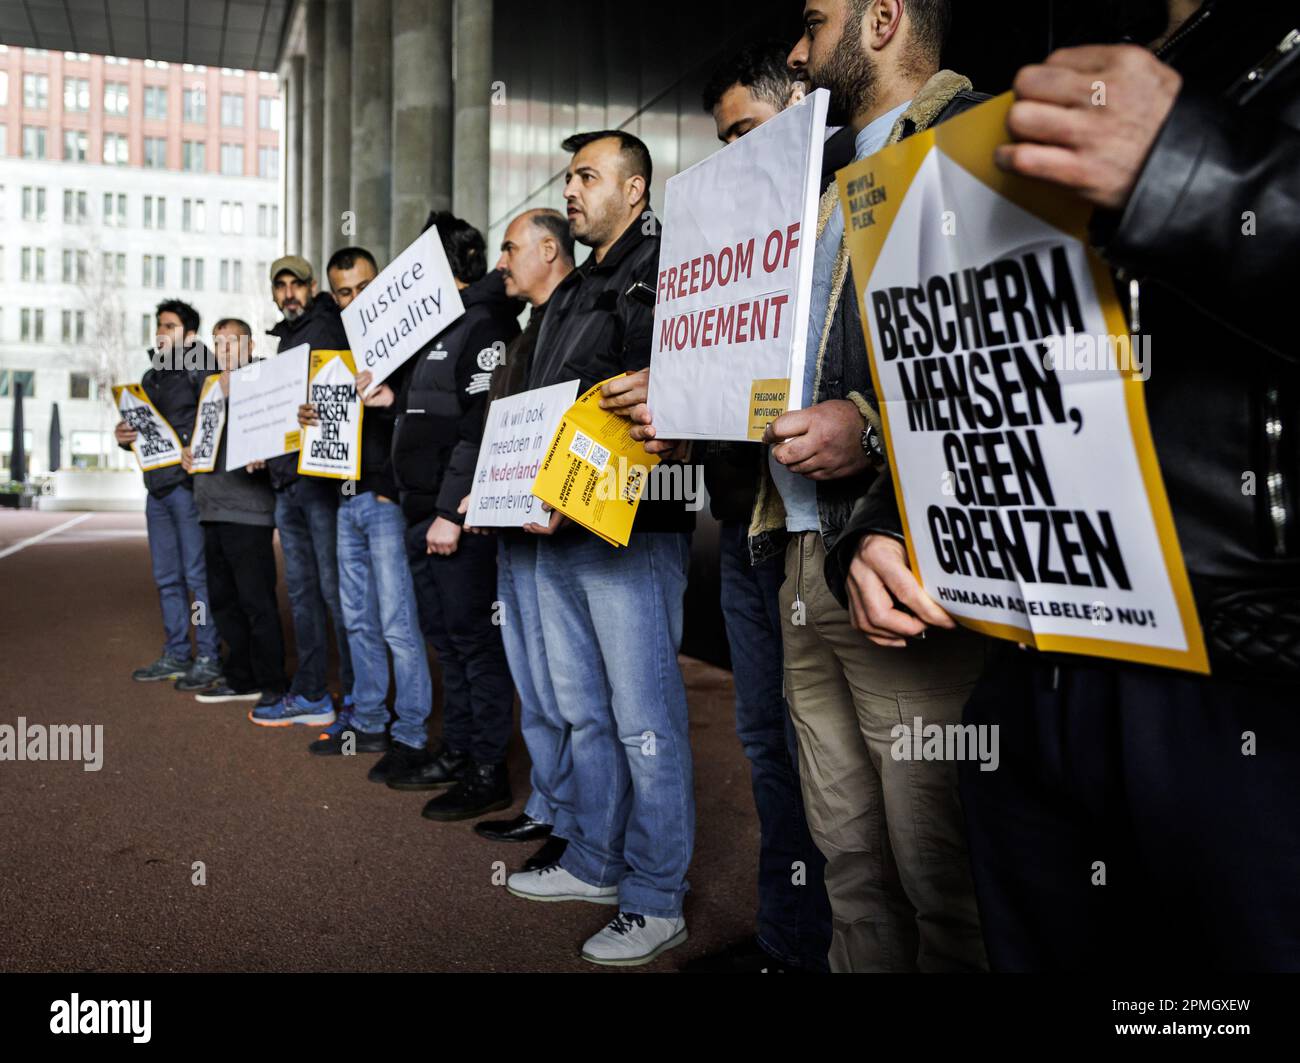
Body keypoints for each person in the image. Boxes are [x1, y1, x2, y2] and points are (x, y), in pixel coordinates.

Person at [831, 0, 1300, 971]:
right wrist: (889, 521)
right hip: (1041, 668)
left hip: (1249, 691)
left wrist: (1188, 171)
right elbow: (1011, 367)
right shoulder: (1125, 66)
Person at [634, 0, 990, 973]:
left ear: (881, 20)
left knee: (941, 868)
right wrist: (689, 398)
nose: (797, 49)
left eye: (814, 21)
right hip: (788, 544)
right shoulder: (812, 187)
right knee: (845, 856)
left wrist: (870, 428)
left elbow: (997, 365)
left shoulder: (970, 147)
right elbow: (775, 371)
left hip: (901, 556)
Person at [503, 130, 697, 967]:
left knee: (644, 721)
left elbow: (675, 399)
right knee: (586, 712)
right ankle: (595, 859)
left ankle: (656, 899)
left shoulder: (673, 271)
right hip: (556, 525)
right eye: (571, 176)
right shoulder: (573, 288)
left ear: (638, 190)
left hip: (633, 530)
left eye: (588, 176)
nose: (572, 188)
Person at [378, 213, 522, 821]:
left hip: (452, 517)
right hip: (420, 511)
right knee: (447, 640)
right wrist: (391, 402)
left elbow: (477, 423)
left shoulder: (485, 323)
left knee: (473, 643)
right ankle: (459, 751)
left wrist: (448, 513)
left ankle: (487, 769)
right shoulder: (437, 326)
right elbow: (429, 415)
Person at [469, 208, 577, 871]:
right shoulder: (526, 331)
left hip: (556, 526)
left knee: (568, 689)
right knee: (534, 683)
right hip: (514, 524)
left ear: (547, 249)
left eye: (509, 248)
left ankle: (577, 825)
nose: (500, 261)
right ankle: (547, 804)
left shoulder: (576, 317)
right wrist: (481, 491)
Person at [299, 247, 433, 777]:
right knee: (358, 621)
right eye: (344, 292)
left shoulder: (409, 338)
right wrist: (308, 416)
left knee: (398, 623)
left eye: (363, 287)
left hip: (385, 501)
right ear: (334, 296)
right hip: (344, 496)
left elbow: (435, 415)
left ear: (381, 283)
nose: (355, 298)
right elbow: (324, 427)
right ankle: (372, 722)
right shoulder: (336, 348)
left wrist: (393, 402)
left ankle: (412, 732)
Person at [249, 255, 353, 729]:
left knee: (333, 592)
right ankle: (314, 692)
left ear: (312, 288)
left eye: (297, 285)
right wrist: (262, 446)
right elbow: (284, 412)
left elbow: (339, 401)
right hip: (288, 480)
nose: (289, 293)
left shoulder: (328, 328)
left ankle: (355, 697)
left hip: (320, 484)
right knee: (304, 591)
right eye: (281, 286)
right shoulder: (286, 338)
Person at [117, 299, 222, 693]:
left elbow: (215, 419)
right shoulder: (150, 376)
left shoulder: (201, 368)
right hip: (156, 488)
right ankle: (178, 652)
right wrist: (124, 438)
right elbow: (147, 432)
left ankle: (208, 654)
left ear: (190, 335)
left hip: (187, 488)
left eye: (170, 326)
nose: (161, 332)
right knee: (166, 578)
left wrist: (195, 449)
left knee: (197, 576)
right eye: (159, 325)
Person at [181, 318, 286, 705]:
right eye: (218, 342)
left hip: (248, 509)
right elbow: (202, 439)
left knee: (256, 601)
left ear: (249, 345)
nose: (225, 349)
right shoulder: (209, 386)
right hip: (210, 506)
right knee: (223, 601)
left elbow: (280, 432)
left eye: (233, 342)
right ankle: (240, 676)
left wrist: (268, 451)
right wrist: (188, 453)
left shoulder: (263, 381)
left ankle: (273, 682)